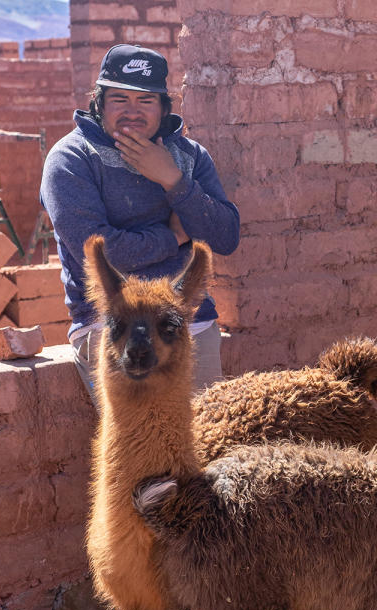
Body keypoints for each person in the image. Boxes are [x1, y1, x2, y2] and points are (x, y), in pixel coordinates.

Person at [40, 44, 240, 405]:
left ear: (164, 107)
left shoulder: (188, 156)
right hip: (114, 326)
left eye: (145, 101)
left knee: (209, 447)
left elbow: (225, 236)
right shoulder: (71, 159)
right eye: (119, 99)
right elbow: (104, 256)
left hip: (192, 323)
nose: (132, 112)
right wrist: (175, 235)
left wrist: (173, 181)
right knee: (144, 450)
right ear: (99, 103)